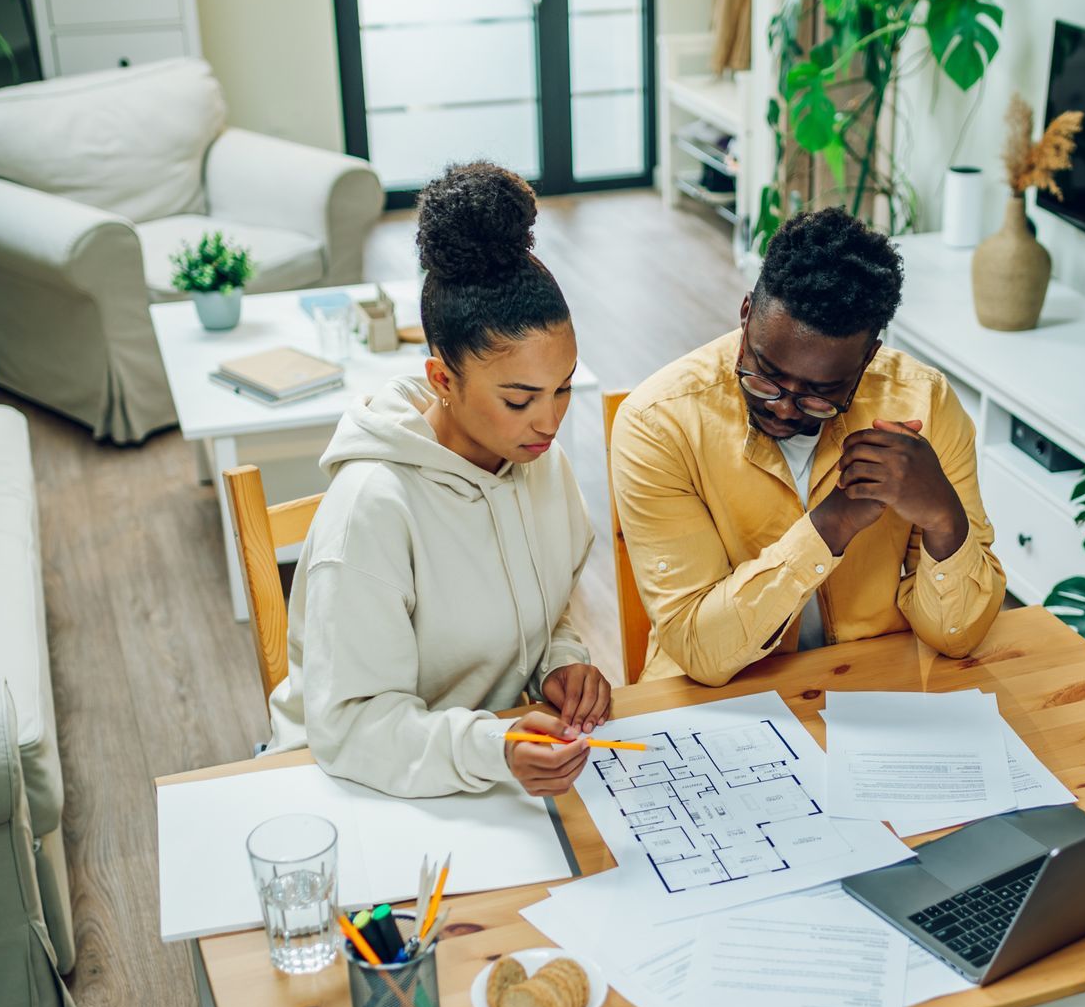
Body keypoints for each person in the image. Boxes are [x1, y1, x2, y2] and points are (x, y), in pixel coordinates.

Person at [267, 161, 611, 797]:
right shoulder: (371, 509)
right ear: (442, 380)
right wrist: (492, 749)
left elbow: (546, 604)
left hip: (484, 772)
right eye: (519, 399)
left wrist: (563, 663)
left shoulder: (539, 461)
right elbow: (348, 727)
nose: (550, 420)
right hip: (352, 785)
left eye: (563, 389)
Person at [611, 206, 1006, 686]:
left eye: (821, 393)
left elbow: (958, 637)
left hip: (869, 687)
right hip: (718, 703)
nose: (782, 408)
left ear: (868, 360)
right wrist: (831, 524)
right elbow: (701, 651)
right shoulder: (660, 423)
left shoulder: (925, 401)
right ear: (745, 316)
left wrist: (945, 518)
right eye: (766, 375)